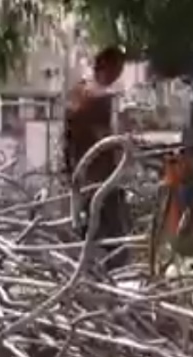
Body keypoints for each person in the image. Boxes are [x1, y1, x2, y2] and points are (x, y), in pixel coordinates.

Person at [63, 46, 129, 265]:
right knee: (115, 241)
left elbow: (68, 138)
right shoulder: (100, 98)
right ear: (108, 67)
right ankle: (113, 285)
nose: (118, 75)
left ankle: (90, 280)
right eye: (118, 70)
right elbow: (107, 140)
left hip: (80, 177)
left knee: (87, 237)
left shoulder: (77, 92)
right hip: (103, 179)